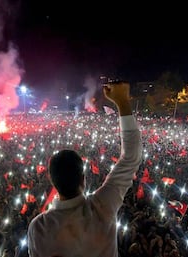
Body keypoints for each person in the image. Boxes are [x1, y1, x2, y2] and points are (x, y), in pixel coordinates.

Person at [27, 80, 143, 257]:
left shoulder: (39, 228)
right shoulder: (102, 207)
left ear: (52, 181)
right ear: (83, 178)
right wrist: (122, 102)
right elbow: (131, 158)